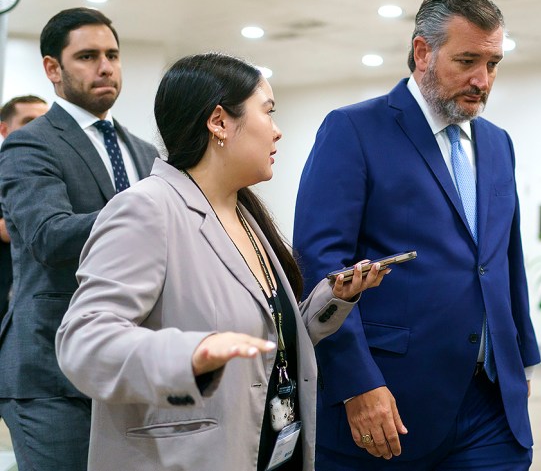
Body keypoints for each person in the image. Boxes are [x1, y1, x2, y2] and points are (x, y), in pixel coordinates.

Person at [54, 52, 386, 471]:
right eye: (268, 113)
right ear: (219, 122)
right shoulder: (147, 208)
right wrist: (190, 354)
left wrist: (331, 302)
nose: (278, 132)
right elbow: (83, 342)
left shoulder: (243, 213)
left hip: (267, 447)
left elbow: (264, 336)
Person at [293, 0, 540, 470]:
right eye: (467, 61)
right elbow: (322, 265)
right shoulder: (354, 130)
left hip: (490, 403)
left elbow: (503, 260)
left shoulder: (497, 143)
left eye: (492, 64)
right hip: (391, 401)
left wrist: (521, 363)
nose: (482, 80)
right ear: (422, 52)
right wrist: (357, 382)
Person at [0, 8, 158, 470]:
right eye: (87, 56)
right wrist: (145, 211)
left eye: (112, 55)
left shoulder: (144, 151)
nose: (105, 66)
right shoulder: (30, 143)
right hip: (50, 371)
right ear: (54, 68)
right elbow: (49, 236)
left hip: (129, 365)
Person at [0, 95, 49, 323]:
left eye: (43, 121)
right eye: (28, 121)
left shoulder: (51, 171)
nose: (38, 128)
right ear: (4, 129)